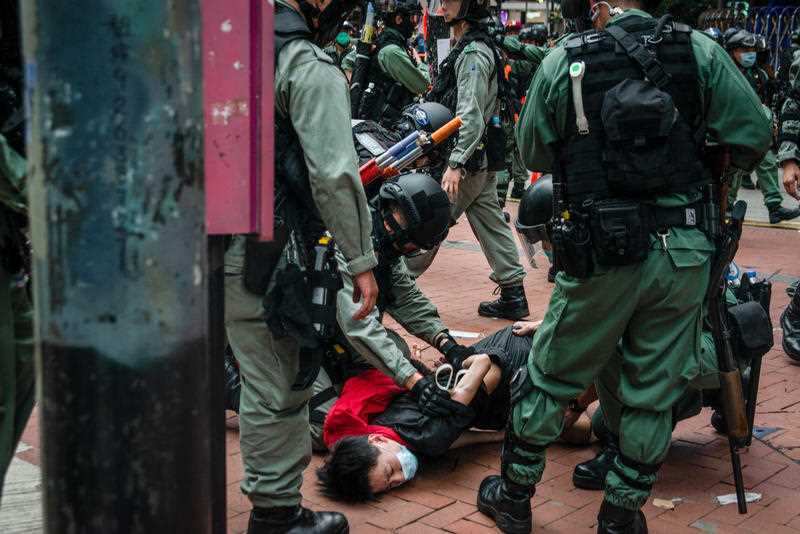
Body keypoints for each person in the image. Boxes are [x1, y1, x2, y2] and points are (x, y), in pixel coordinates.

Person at [478, 1, 772, 533]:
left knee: (551, 375)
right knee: (653, 391)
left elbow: (534, 149)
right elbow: (753, 133)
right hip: (684, 250)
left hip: (600, 250)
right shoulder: (700, 51)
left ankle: (514, 495)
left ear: (602, 8)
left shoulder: (565, 58)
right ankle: (620, 514)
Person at [227, 1, 379, 531]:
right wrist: (361, 260)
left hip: (198, 246)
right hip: (267, 254)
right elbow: (335, 175)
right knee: (277, 385)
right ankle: (275, 516)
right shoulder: (303, 63)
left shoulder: (224, 47)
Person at [515, 176, 770, 491]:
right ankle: (700, 396)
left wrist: (576, 404)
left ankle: (624, 455)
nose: (547, 249)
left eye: (545, 240)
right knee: (605, 423)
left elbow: (604, 331)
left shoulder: (626, 243)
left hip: (716, 343)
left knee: (616, 355)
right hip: (686, 340)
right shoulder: (625, 231)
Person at [316, 322, 593, 501]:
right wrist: (501, 436)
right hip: (496, 359)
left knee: (578, 422)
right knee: (576, 430)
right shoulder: (382, 429)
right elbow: (456, 440)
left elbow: (484, 366)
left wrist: (470, 368)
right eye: (390, 486)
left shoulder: (426, 436)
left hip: (507, 363)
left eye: (389, 472)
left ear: (376, 442)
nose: (400, 478)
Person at [427, 0, 529, 320]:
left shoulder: (472, 53)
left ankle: (391, 285)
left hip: (468, 161)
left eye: (448, 3)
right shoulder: (476, 47)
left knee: (427, 223)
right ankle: (514, 294)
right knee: (491, 223)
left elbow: (469, 115)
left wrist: (456, 163)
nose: (441, 10)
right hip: (481, 158)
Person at [724, 28, 800, 223]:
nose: (749, 53)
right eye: (744, 49)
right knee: (734, 169)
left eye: (752, 49)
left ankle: (774, 205)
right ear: (732, 50)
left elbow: (770, 99)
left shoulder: (759, 74)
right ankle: (726, 205)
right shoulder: (724, 71)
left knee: (767, 161)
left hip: (757, 127)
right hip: (732, 129)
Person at [354, 0, 430, 122]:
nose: (415, 24)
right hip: (383, 128)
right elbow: (422, 85)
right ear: (399, 19)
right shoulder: (391, 51)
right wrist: (420, 63)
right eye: (412, 18)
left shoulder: (388, 43)